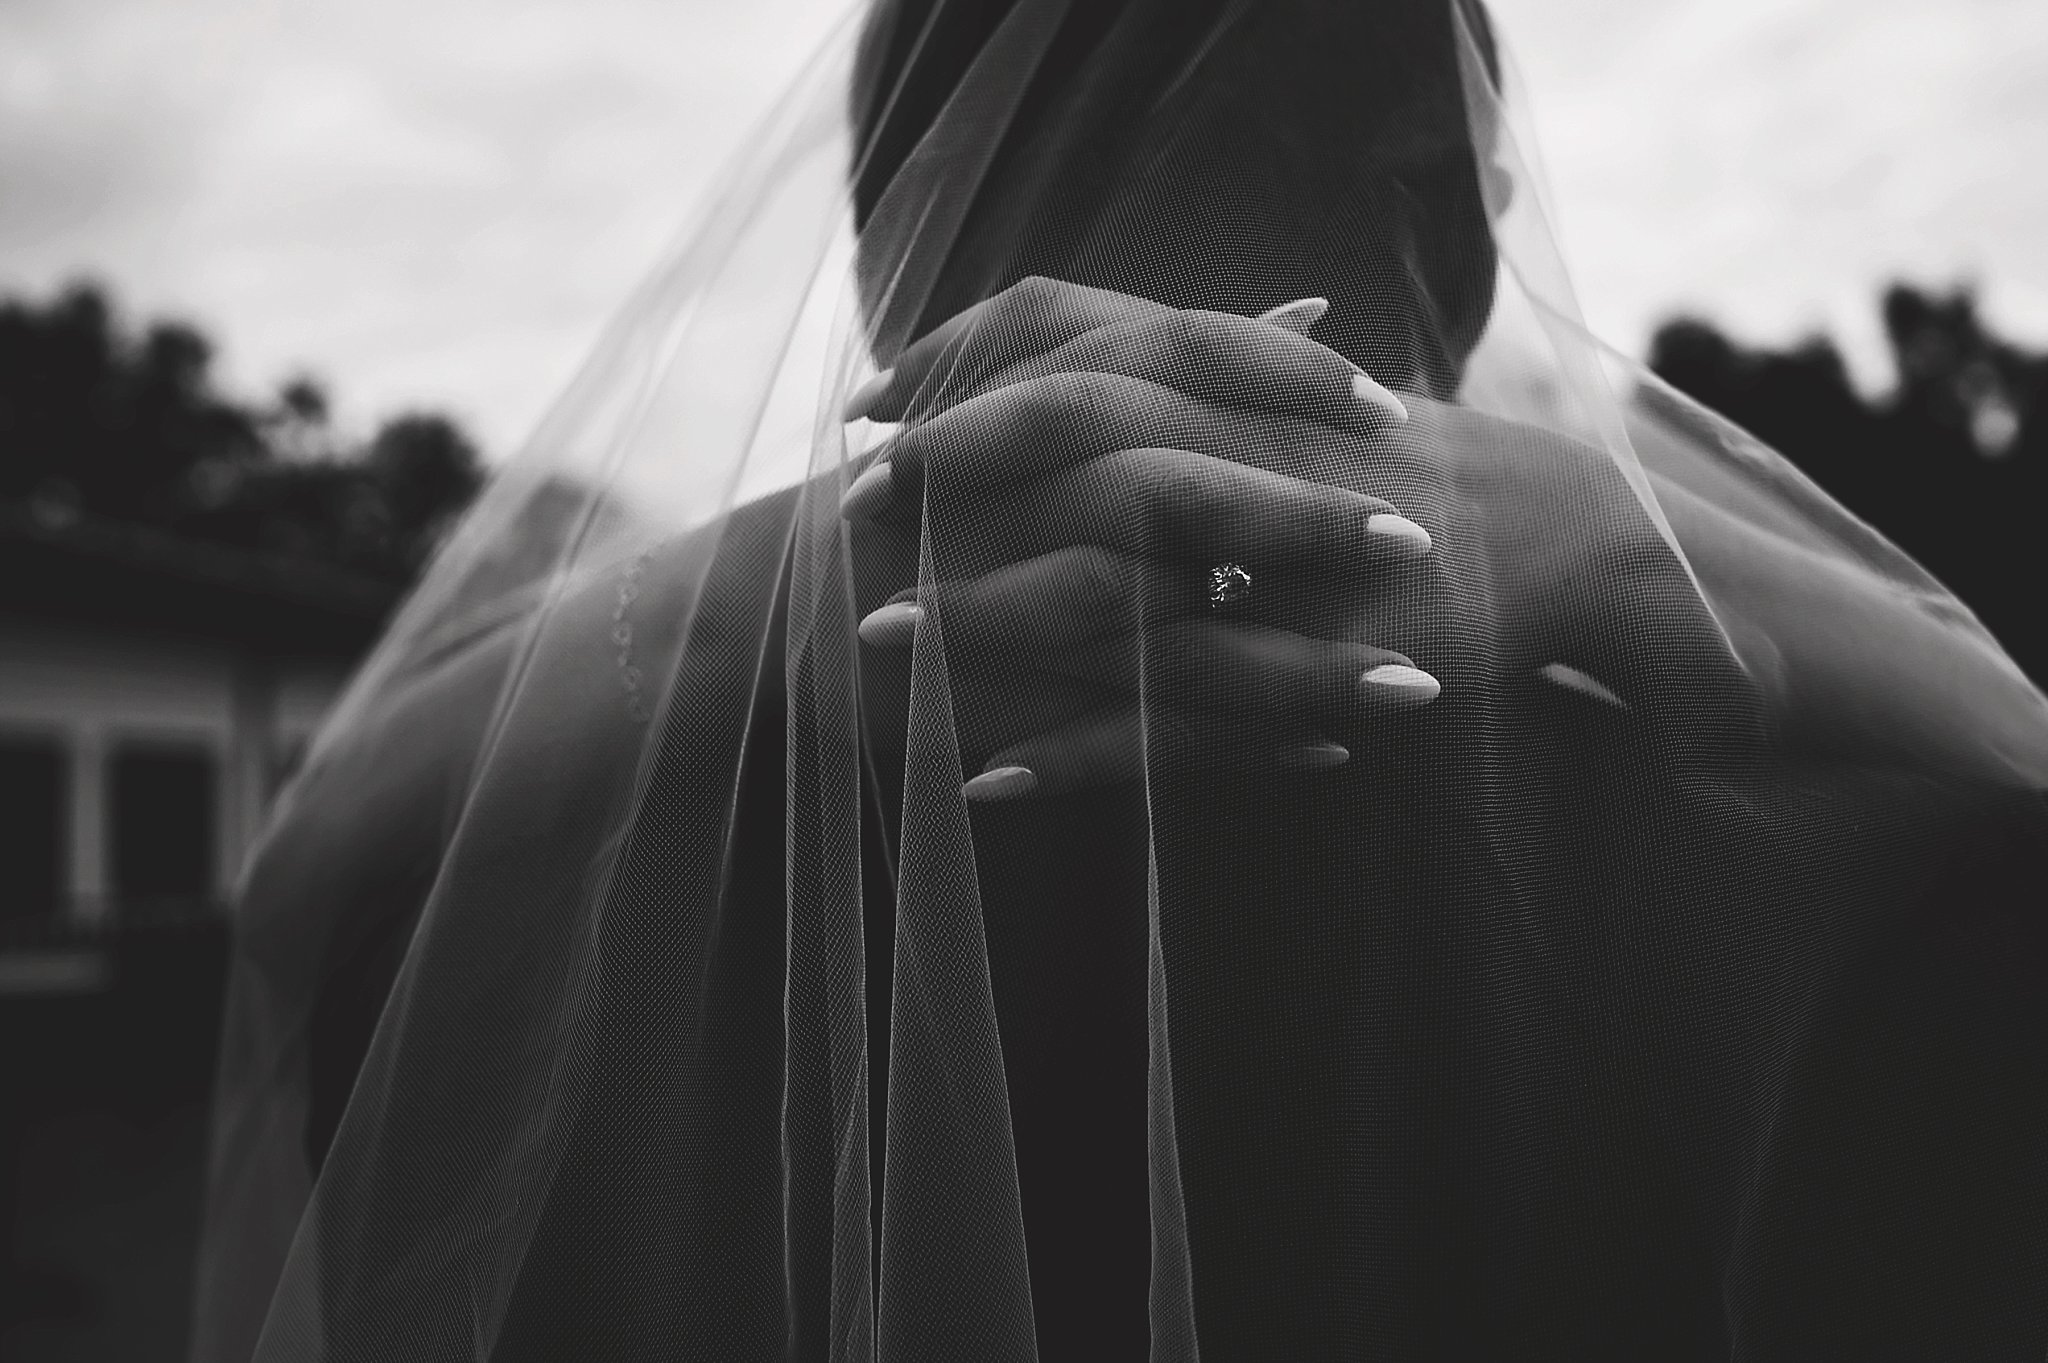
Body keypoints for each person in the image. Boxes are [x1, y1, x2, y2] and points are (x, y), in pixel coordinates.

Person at [193, 0, 2048, 1358]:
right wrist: (1604, 537)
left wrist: (755, 591)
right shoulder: (1819, 833)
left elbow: (294, 910)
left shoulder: (549, 855)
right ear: (1465, 208)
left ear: (887, 219)